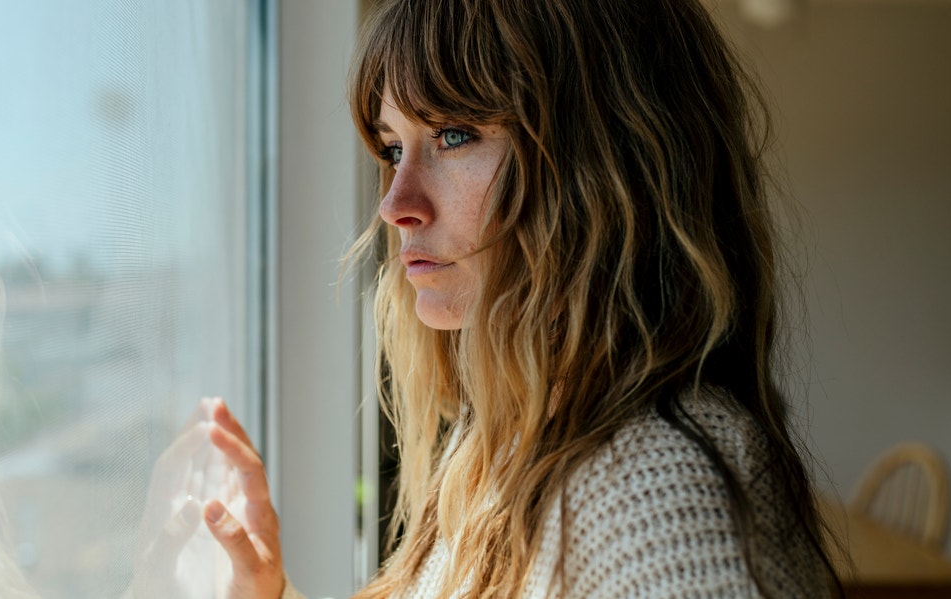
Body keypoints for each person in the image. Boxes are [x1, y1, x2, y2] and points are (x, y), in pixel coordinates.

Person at [139, 0, 843, 597]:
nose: (395, 203)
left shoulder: (655, 489)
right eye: (392, 147)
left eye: (454, 134)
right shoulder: (508, 446)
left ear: (603, 165)